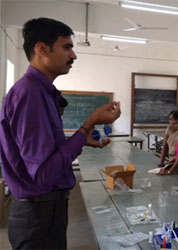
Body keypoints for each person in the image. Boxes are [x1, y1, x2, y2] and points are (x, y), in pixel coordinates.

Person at [0, 18, 121, 249]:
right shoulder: (30, 94)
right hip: (38, 215)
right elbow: (43, 174)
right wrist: (89, 123)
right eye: (66, 47)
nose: (73, 55)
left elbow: (43, 155)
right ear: (42, 49)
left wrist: (79, 140)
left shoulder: (41, 93)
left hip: (45, 212)